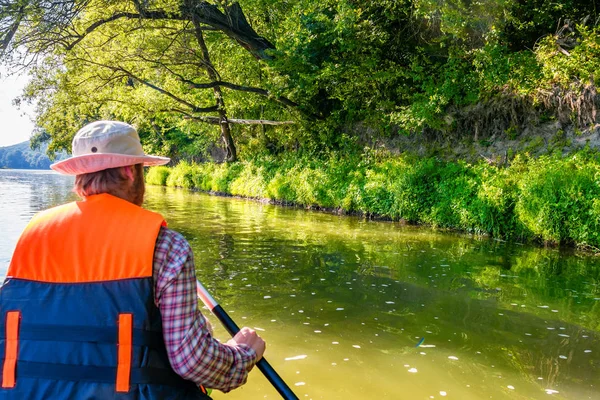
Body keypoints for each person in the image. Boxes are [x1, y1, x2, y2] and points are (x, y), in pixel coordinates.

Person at [0, 121, 265, 399]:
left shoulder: (32, 236)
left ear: (79, 179)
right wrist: (243, 353)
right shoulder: (166, 246)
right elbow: (193, 362)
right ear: (129, 171)